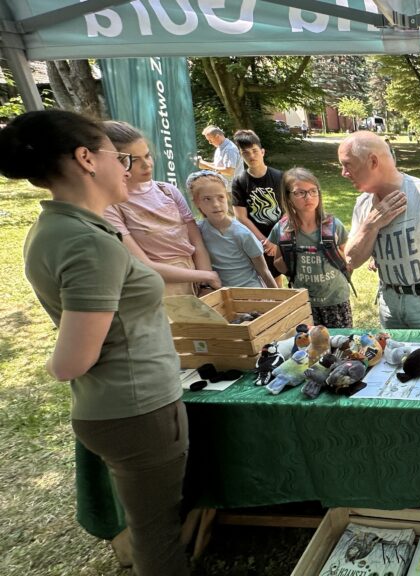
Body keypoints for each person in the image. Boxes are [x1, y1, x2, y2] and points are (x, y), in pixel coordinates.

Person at [0, 109, 191, 576]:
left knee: (154, 524)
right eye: (118, 157)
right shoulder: (88, 242)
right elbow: (71, 361)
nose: (126, 168)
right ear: (86, 158)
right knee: (157, 533)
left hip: (124, 405)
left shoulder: (65, 228)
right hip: (136, 409)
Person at [338, 131, 420, 329]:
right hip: (389, 303)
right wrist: (371, 224)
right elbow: (352, 260)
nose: (343, 173)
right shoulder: (363, 204)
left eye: (347, 165)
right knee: (393, 359)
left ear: (373, 162)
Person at [102, 121, 221, 296]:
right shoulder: (112, 206)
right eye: (135, 160)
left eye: (147, 155)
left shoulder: (168, 191)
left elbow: (197, 243)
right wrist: (206, 276)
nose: (146, 164)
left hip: (196, 283)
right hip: (159, 291)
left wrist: (205, 286)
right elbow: (143, 264)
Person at [269, 167, 354, 328]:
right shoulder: (282, 229)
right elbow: (278, 262)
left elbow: (349, 259)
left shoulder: (333, 225)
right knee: (309, 346)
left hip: (335, 299)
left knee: (341, 344)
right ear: (288, 197)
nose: (308, 197)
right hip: (304, 302)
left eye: (313, 191)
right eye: (300, 193)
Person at [189, 170, 277, 289]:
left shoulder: (242, 233)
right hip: (222, 295)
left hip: (252, 294)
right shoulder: (197, 231)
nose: (216, 204)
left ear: (227, 198)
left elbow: (264, 271)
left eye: (220, 197)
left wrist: (279, 298)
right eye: (207, 199)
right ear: (196, 202)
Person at [231, 129, 285, 286]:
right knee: (273, 281)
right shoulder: (239, 182)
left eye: (254, 151)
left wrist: (277, 239)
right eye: (246, 153)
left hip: (283, 235)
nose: (251, 156)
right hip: (259, 240)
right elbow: (241, 217)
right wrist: (266, 242)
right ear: (241, 155)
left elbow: (289, 211)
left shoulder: (280, 177)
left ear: (262, 151)